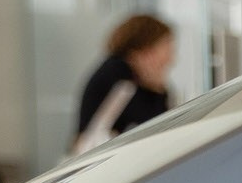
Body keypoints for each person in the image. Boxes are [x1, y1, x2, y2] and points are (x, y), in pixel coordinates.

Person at [73, 16, 175, 154]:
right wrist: (156, 88)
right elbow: (154, 125)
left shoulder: (127, 74)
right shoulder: (118, 74)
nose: (171, 57)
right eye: (166, 45)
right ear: (147, 47)